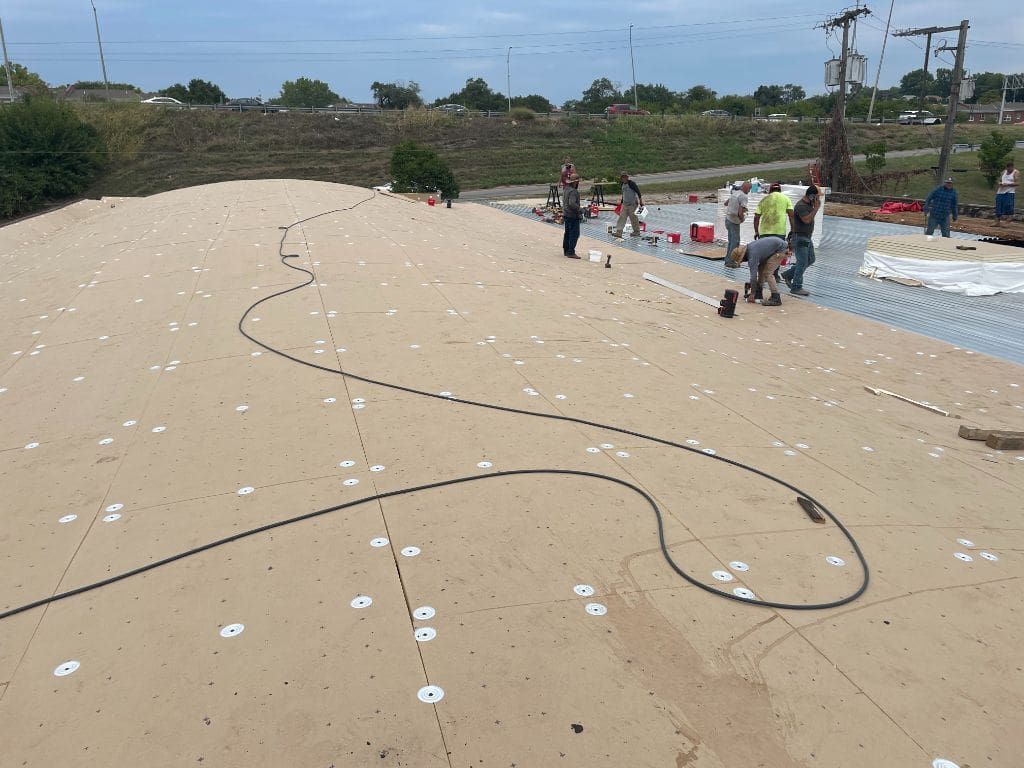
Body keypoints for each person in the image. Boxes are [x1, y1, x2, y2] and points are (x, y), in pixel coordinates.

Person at [781, 185, 821, 297]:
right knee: (802, 262)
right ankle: (796, 287)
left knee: (811, 259)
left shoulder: (809, 205)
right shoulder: (801, 206)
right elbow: (807, 220)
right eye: (817, 197)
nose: (819, 200)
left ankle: (788, 274)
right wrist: (816, 208)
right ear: (812, 196)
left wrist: (814, 207)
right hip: (800, 237)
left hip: (807, 237)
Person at [729, 236, 790, 307]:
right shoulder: (750, 247)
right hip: (775, 247)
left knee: (768, 273)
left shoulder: (752, 256)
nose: (744, 261)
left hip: (780, 250)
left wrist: (752, 294)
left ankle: (776, 297)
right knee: (760, 268)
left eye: (742, 260)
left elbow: (753, 277)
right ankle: (758, 293)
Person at [724, 181, 752, 268]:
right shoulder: (743, 196)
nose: (749, 191)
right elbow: (740, 212)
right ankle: (731, 261)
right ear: (746, 188)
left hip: (728, 219)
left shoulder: (735, 193)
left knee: (731, 241)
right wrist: (742, 218)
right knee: (735, 242)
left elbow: (726, 203)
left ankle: (727, 259)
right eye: (749, 189)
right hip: (734, 221)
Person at [612, 172, 643, 238]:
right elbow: (624, 194)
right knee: (622, 218)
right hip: (625, 205)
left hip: (632, 205)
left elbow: (638, 192)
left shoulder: (632, 183)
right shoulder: (622, 184)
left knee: (633, 218)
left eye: (625, 177)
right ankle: (619, 232)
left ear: (627, 177)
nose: (624, 178)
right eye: (623, 177)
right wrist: (621, 203)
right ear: (621, 178)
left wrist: (641, 201)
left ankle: (636, 232)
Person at [562, 173, 583, 258]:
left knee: (567, 233)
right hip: (572, 215)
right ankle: (571, 252)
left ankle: (566, 250)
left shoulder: (566, 189)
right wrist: (580, 209)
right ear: (575, 182)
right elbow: (572, 204)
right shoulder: (573, 191)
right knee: (574, 234)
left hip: (566, 214)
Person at [995, 160, 1019, 227]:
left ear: (1012, 167)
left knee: (1009, 206)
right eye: (1007, 168)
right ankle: (997, 222)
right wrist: (1000, 183)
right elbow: (999, 180)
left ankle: (1008, 222)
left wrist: (1007, 184)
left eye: (1010, 168)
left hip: (1009, 192)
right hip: (1000, 192)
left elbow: (1017, 183)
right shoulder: (1004, 172)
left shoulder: (1015, 172)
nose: (1009, 170)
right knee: (998, 206)